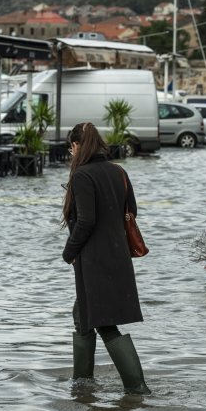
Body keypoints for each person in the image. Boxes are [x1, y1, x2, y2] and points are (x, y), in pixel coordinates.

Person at [61, 122, 150, 395]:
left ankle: (137, 388)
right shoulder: (119, 171)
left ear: (77, 146)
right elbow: (131, 210)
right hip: (117, 258)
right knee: (83, 316)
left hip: (94, 261)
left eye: (71, 147)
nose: (71, 153)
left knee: (104, 323)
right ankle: (83, 383)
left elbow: (86, 222)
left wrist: (69, 252)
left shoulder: (82, 176)